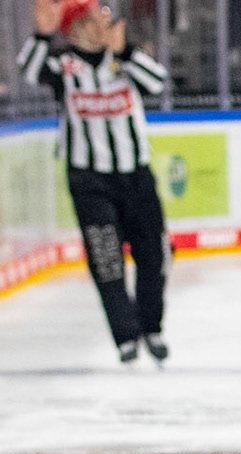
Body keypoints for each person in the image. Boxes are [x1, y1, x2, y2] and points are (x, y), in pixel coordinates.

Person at [17, 0, 171, 364]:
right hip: (88, 179)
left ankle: (152, 325)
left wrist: (126, 50)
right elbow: (29, 70)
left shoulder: (125, 60)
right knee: (106, 258)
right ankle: (125, 335)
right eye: (92, 18)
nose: (103, 22)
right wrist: (42, 32)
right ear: (76, 27)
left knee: (154, 255)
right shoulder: (63, 67)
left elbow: (158, 82)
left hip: (135, 174)